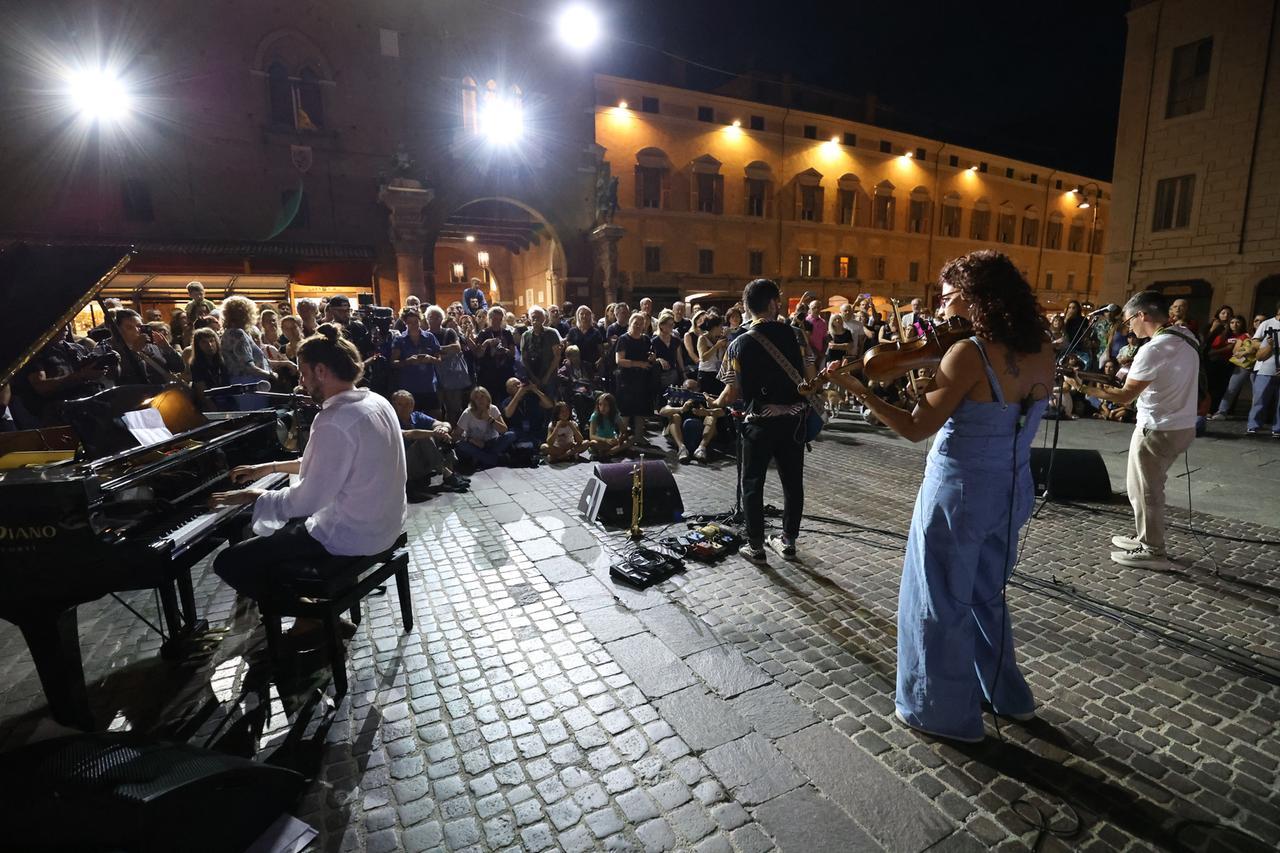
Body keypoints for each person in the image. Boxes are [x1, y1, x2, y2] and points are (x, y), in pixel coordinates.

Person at [821, 250, 1053, 742]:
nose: (942, 309)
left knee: (938, 600)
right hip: (1013, 487)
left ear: (974, 298)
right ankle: (1008, 695)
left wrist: (857, 389)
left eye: (948, 298)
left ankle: (942, 711)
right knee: (988, 595)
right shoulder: (1042, 349)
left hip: (959, 492)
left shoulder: (969, 353)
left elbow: (913, 427)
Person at [209, 324, 407, 638]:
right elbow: (332, 465)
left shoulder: (333, 420)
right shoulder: (376, 402)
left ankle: (310, 616)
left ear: (321, 370)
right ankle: (308, 609)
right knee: (281, 532)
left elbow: (308, 501)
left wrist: (255, 497)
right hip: (385, 524)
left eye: (303, 373)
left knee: (231, 561)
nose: (300, 382)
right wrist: (268, 467)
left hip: (353, 536)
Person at [1088, 291, 1201, 569]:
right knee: (1136, 486)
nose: (1128, 328)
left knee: (1147, 490)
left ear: (1142, 315)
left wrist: (1083, 387)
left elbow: (1125, 396)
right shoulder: (1186, 337)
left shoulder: (1152, 349)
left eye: (1129, 322)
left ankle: (1153, 549)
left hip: (1158, 427)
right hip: (1181, 424)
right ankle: (1144, 535)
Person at [713, 279, 814, 563]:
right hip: (794, 422)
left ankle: (756, 547)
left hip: (758, 423)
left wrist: (713, 405)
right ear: (773, 304)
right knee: (793, 483)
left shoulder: (739, 342)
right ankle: (788, 542)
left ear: (747, 307)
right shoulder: (797, 336)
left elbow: (731, 392)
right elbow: (810, 379)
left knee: (752, 483)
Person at [391, 390, 469, 499]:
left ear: (413, 405)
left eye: (408, 404)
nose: (404, 407)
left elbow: (444, 423)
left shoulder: (417, 416)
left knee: (442, 435)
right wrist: (434, 433)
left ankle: (450, 472)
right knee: (425, 437)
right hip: (407, 465)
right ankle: (447, 474)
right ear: (393, 406)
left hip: (426, 462)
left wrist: (443, 429)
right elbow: (409, 434)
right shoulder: (391, 421)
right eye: (400, 404)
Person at [389, 307, 442, 415]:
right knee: (410, 416)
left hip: (429, 385)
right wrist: (407, 361)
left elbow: (439, 359)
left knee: (435, 413)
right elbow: (393, 363)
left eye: (416, 321)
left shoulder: (429, 337)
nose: (414, 325)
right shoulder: (400, 339)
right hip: (409, 386)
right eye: (410, 322)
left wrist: (430, 359)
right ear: (405, 323)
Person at [614, 312, 654, 442]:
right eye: (635, 323)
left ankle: (638, 436)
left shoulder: (646, 339)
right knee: (625, 410)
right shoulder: (623, 339)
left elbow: (649, 356)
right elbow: (619, 361)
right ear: (630, 324)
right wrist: (638, 364)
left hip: (642, 379)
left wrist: (652, 358)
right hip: (626, 379)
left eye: (640, 324)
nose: (638, 326)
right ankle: (622, 437)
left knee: (640, 410)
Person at [453, 386, 515, 470]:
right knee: (460, 445)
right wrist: (470, 440)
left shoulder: (493, 409)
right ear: (473, 401)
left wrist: (489, 419)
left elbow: (504, 430)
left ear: (487, 397)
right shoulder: (468, 413)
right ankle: (493, 459)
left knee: (511, 435)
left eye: (482, 396)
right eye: (476, 398)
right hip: (474, 444)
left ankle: (481, 458)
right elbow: (455, 435)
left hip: (492, 442)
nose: (480, 400)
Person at [1210, 317, 1257, 419]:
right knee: (1232, 388)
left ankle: (1255, 416)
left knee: (1257, 392)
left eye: (1261, 321)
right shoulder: (1245, 336)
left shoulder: (1266, 336)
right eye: (1256, 321)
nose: (1258, 323)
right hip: (1243, 365)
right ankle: (1222, 411)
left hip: (1259, 366)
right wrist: (1248, 351)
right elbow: (1235, 352)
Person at [1247, 301, 1280, 436]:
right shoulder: (1267, 324)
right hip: (1266, 367)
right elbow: (1254, 341)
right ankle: (1253, 425)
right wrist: (1267, 347)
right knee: (1260, 398)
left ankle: (1277, 429)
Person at [475, 306, 518, 405]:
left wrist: (505, 351)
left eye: (500, 319)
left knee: (506, 399)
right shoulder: (484, 333)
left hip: (504, 372)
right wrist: (486, 343)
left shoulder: (507, 333)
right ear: (489, 319)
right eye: (494, 318)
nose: (497, 321)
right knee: (489, 400)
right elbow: (478, 354)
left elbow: (512, 353)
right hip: (488, 373)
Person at [520, 305, 563, 399]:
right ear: (529, 319)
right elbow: (524, 358)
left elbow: (557, 356)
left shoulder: (552, 333)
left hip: (549, 375)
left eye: (538, 317)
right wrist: (532, 377)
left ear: (543, 318)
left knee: (550, 402)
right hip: (532, 376)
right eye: (533, 317)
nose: (535, 319)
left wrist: (546, 377)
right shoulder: (525, 336)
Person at [188, 327, 229, 410]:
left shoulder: (223, 359)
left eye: (211, 341)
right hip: (211, 406)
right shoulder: (196, 365)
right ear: (198, 345)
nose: (210, 345)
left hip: (227, 400)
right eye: (204, 342)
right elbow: (202, 393)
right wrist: (216, 411)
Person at [588, 392, 629, 458]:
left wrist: (620, 438)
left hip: (612, 440)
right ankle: (609, 452)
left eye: (605, 405)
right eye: (600, 404)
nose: (602, 408)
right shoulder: (595, 416)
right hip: (600, 441)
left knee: (629, 441)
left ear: (611, 406)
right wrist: (605, 440)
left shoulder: (615, 415)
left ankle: (607, 453)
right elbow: (592, 436)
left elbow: (623, 431)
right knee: (592, 443)